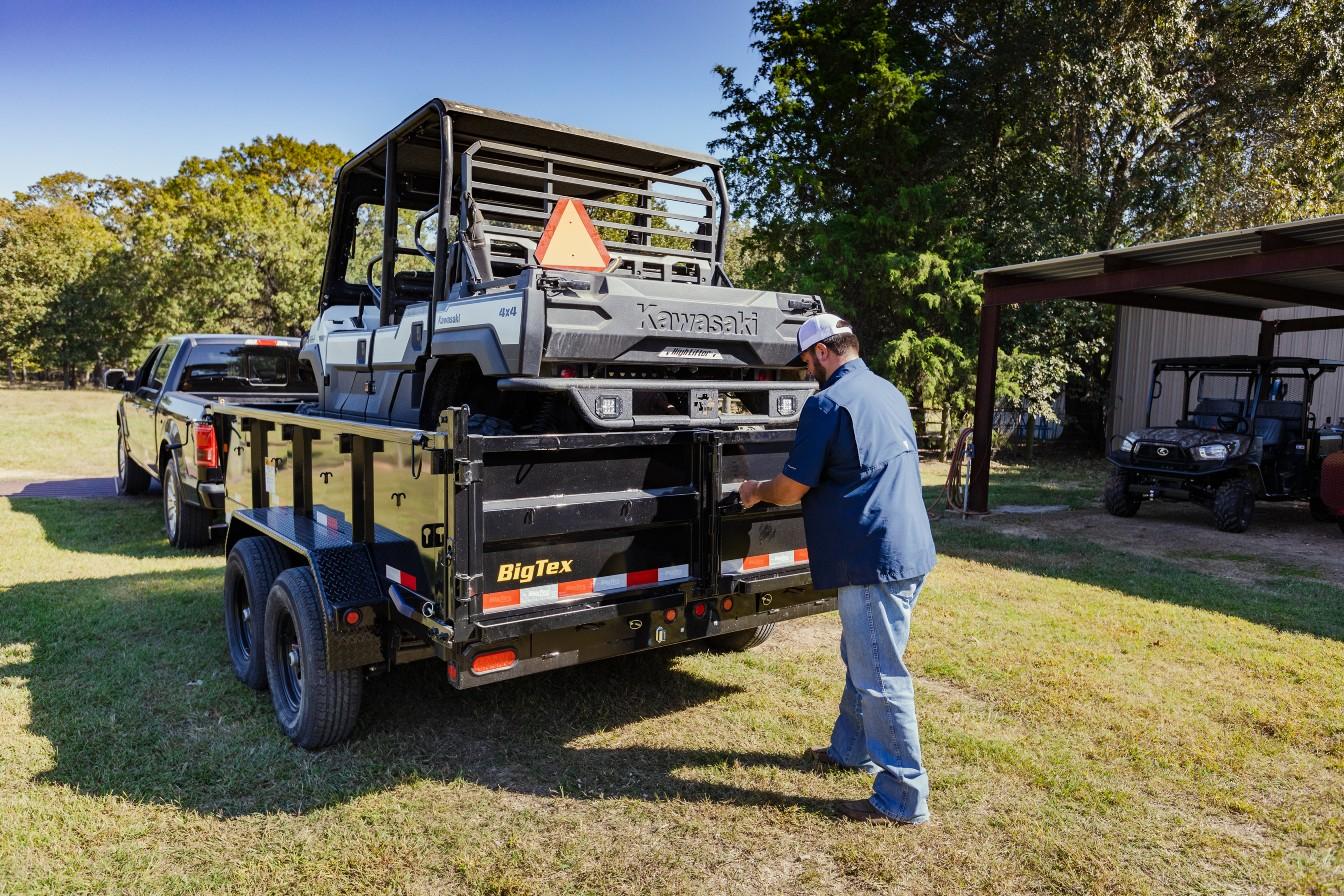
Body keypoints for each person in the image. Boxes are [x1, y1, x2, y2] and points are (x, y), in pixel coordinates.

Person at [738, 313, 935, 825]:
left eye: (806, 361)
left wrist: (754, 492)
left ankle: (901, 798)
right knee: (863, 654)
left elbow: (789, 488)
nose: (807, 371)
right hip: (910, 550)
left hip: (871, 557)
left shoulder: (827, 404)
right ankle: (851, 750)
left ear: (823, 352)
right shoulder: (886, 390)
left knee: (880, 675)